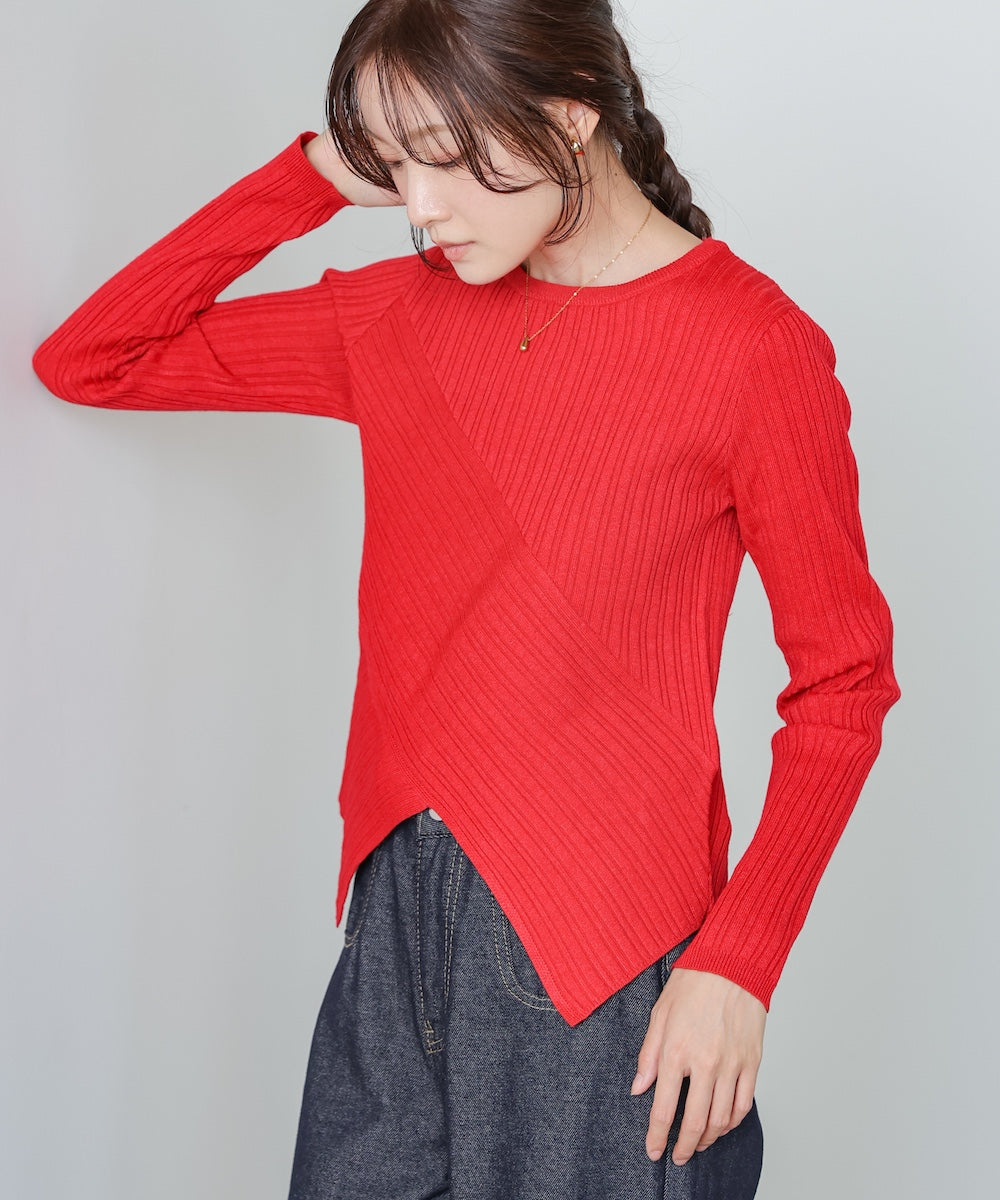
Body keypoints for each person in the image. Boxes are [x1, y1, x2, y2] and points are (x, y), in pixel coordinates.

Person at [32, 1, 901, 1196]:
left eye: (440, 157)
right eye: (393, 166)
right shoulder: (400, 313)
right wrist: (310, 176)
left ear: (569, 116)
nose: (418, 204)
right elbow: (93, 358)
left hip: (605, 962)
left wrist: (737, 963)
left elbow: (844, 683)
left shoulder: (751, 348)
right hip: (392, 922)